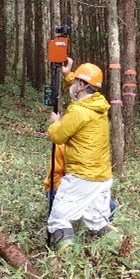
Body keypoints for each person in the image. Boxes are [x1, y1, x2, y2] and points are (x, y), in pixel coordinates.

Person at [46, 58, 113, 251]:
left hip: (82, 176)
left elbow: (58, 136)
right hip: (102, 177)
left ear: (82, 85)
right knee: (98, 222)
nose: (73, 85)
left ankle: (65, 267)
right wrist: (68, 75)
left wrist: (55, 122)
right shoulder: (98, 105)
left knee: (59, 219)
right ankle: (119, 257)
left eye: (76, 82)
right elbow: (79, 101)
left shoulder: (78, 111)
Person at [44, 143, 116, 220]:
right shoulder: (61, 144)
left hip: (87, 188)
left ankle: (95, 226)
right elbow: (55, 175)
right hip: (64, 189)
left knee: (110, 206)